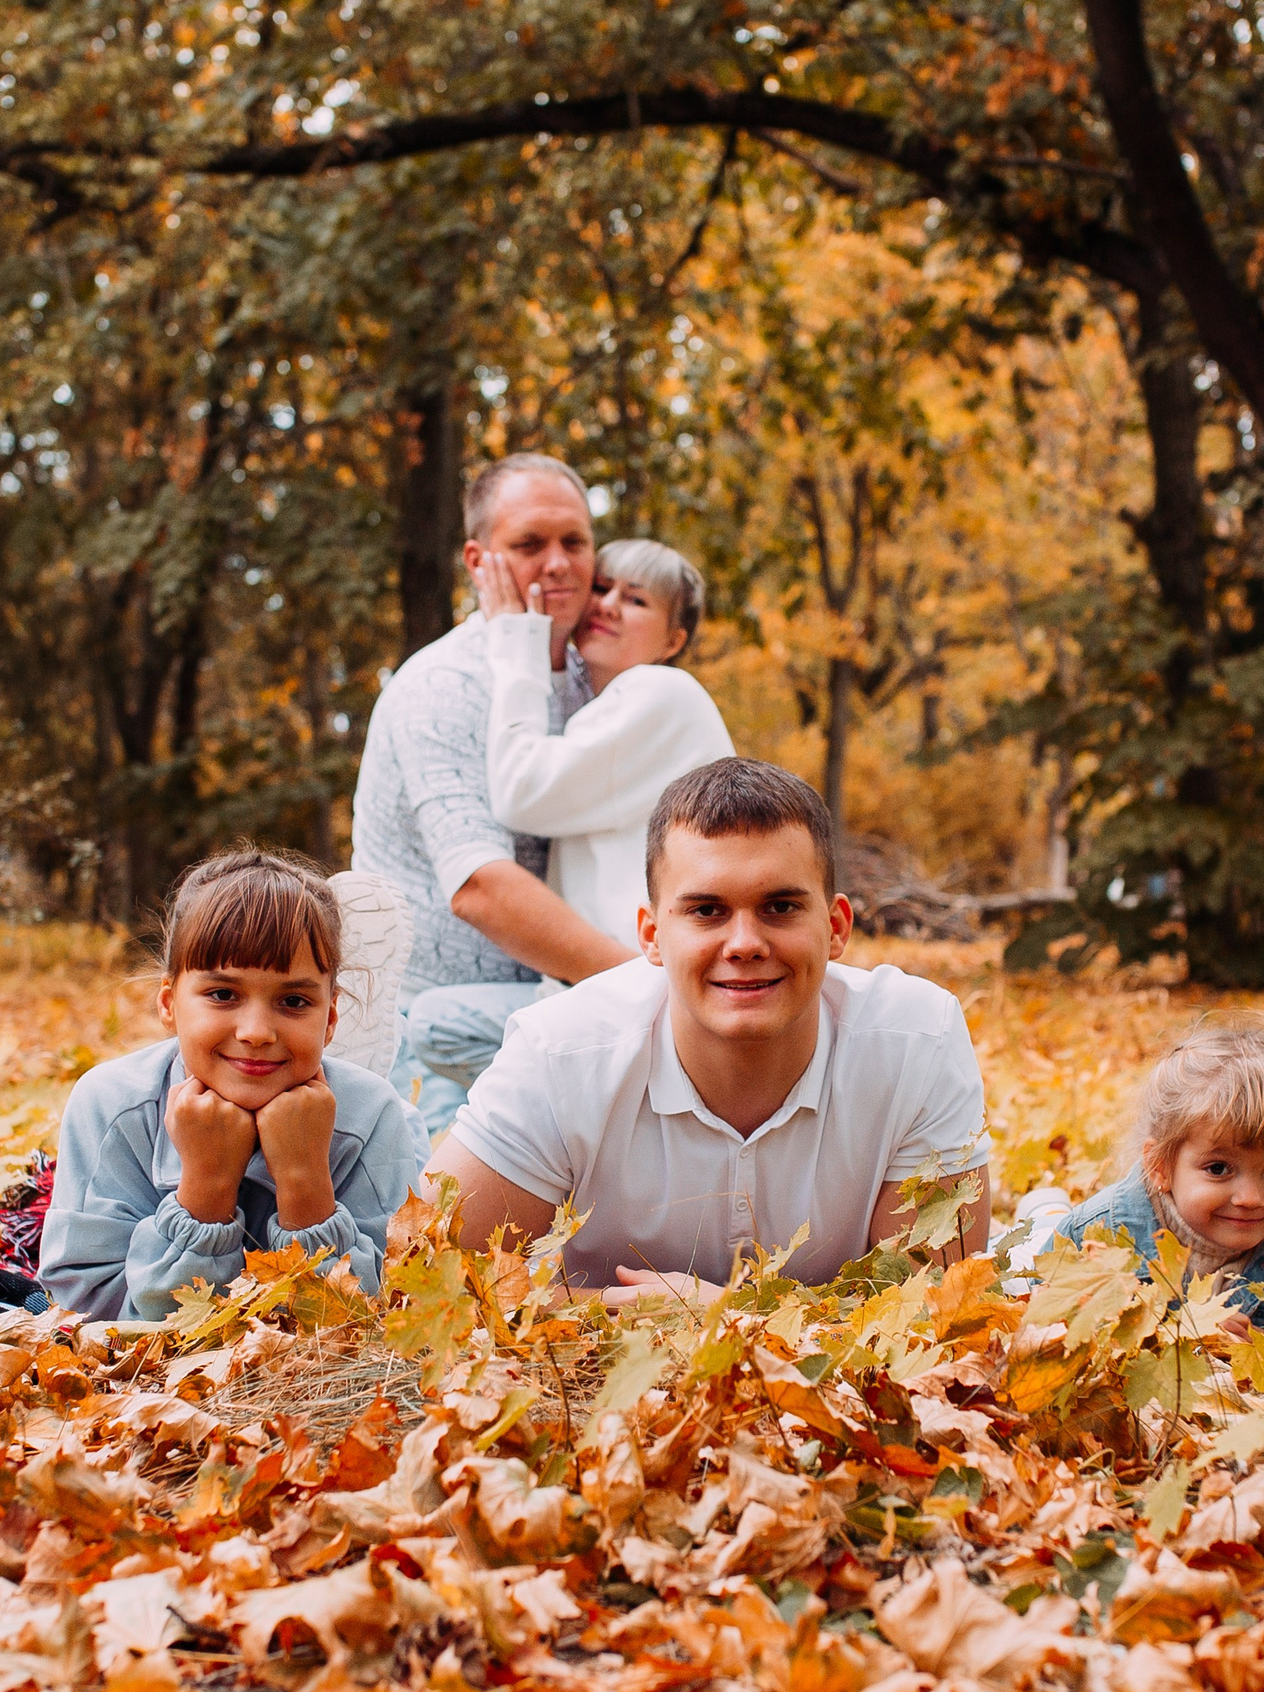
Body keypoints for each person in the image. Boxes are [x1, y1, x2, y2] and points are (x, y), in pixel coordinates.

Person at [426, 758, 992, 1305]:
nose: (744, 943)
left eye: (779, 906)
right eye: (706, 911)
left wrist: (724, 1318)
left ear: (836, 926)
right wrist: (610, 1309)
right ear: (651, 934)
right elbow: (424, 1284)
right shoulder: (561, 1053)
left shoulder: (920, 1039)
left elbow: (936, 1308)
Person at [350, 454, 635, 1134]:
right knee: (450, 1229)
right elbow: (480, 887)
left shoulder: (601, 676)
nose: (560, 563)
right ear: (480, 562)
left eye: (575, 541)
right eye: (530, 545)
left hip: (557, 1006)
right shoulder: (442, 686)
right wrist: (654, 988)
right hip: (429, 1036)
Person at [405, 538, 736, 1088]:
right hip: (621, 984)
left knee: (442, 1024)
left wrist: (518, 643)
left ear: (674, 639)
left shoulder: (663, 694)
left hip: (650, 990)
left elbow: (521, 790)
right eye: (602, 588)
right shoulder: (612, 706)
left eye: (636, 600)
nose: (606, 604)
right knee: (446, 1025)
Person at [39, 850, 425, 1321]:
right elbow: (84, 1309)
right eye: (223, 994)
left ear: (330, 1018)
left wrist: (305, 1184)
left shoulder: (373, 1116)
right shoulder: (110, 1103)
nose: (256, 1032)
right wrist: (205, 1188)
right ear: (168, 1004)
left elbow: (382, 1313)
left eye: (294, 1000)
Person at [1049, 1018, 1264, 1342]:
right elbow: (1039, 1312)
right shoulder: (1102, 1235)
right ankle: (1044, 1209)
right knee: (1042, 1229)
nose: (1250, 1198)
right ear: (1160, 1166)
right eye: (1218, 1169)